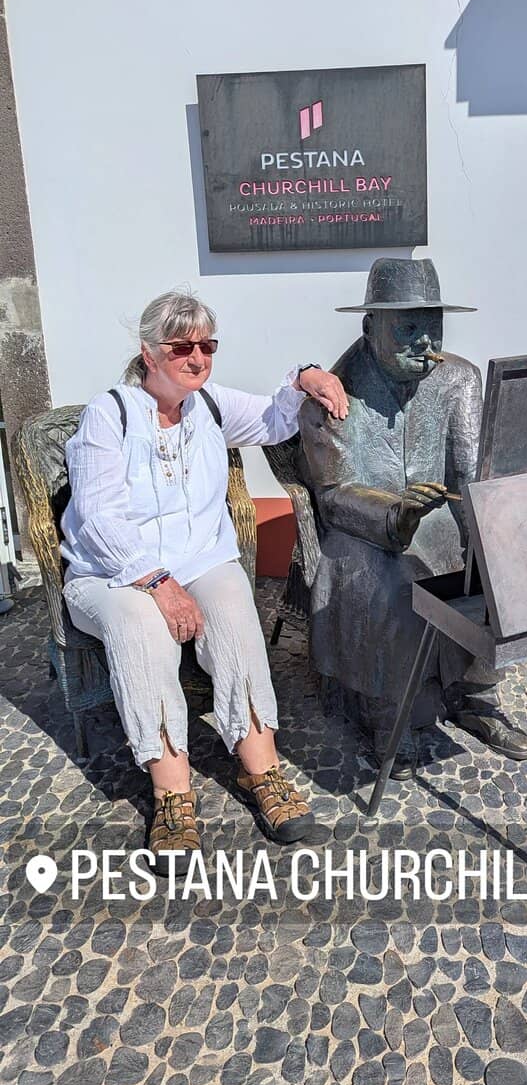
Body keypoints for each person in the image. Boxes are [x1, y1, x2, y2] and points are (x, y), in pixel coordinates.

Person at [60, 290, 348, 869]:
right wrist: (158, 583)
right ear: (148, 352)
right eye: (181, 346)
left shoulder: (209, 405)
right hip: (109, 572)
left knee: (236, 605)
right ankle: (173, 794)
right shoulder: (109, 413)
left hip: (198, 560)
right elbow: (97, 517)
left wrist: (308, 375)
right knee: (141, 624)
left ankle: (259, 770)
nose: (197, 357)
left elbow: (273, 417)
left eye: (207, 345)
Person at [299, 257, 527, 777]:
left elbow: (473, 472)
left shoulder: (459, 380)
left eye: (432, 327)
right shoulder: (334, 393)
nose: (424, 342)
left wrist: (494, 533)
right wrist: (393, 517)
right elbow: (334, 494)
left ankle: (473, 694)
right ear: (370, 327)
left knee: (490, 567)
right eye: (407, 327)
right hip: (365, 529)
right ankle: (388, 712)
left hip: (443, 523)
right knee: (389, 576)